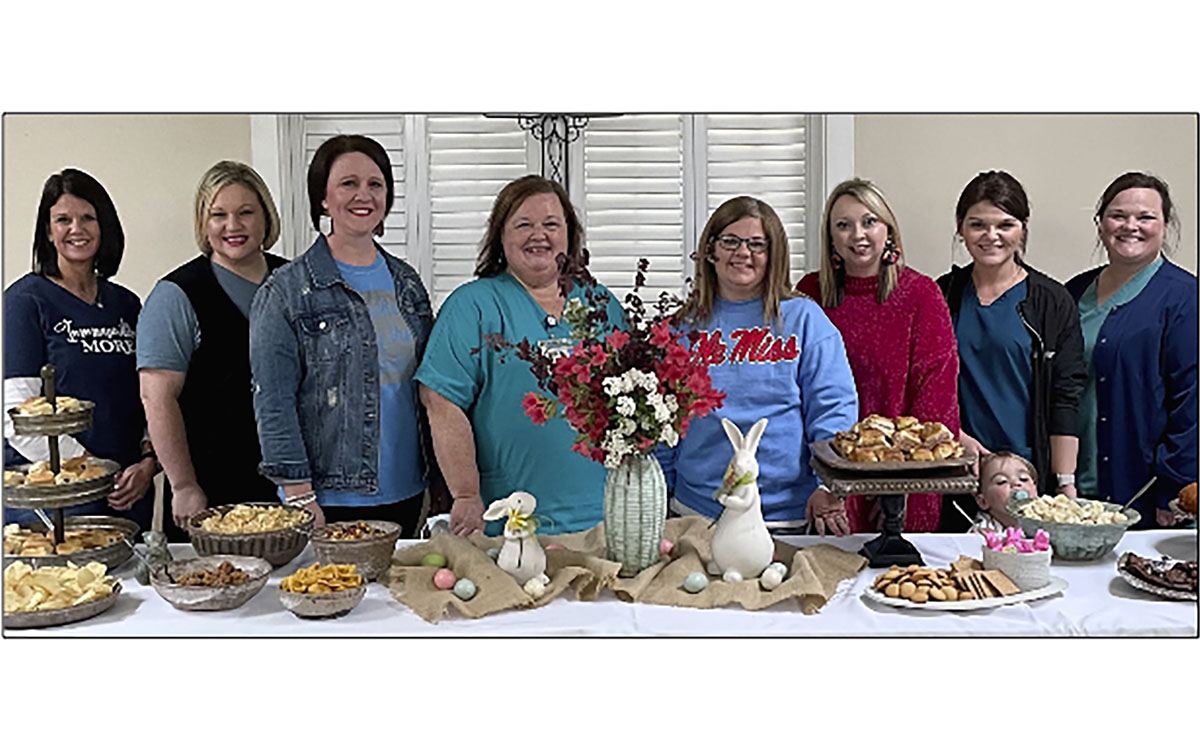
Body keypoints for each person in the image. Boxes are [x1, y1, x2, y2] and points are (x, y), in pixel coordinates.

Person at [415, 175, 627, 537]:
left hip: (605, 518)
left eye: (551, 224)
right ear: (501, 235)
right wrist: (465, 494)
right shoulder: (472, 305)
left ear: (569, 235)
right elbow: (440, 401)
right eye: (524, 224)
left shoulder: (601, 304)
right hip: (509, 522)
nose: (538, 235)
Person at [250, 135, 435, 535]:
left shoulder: (407, 282)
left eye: (375, 184)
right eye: (348, 183)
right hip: (327, 496)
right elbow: (273, 402)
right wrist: (298, 495)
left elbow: (431, 387)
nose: (363, 195)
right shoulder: (285, 290)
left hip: (408, 489)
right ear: (323, 197)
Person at [661, 196, 858, 535]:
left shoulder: (804, 320)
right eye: (730, 241)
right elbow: (661, 425)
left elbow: (834, 409)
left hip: (787, 517)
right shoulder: (680, 328)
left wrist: (828, 486)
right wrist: (658, 493)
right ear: (711, 250)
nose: (743, 252)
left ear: (774, 254)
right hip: (696, 515)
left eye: (757, 244)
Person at [797, 179, 959, 532]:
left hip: (906, 473)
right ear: (831, 238)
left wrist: (899, 485)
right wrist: (831, 482)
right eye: (844, 225)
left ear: (889, 230)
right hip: (828, 475)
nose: (858, 234)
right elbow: (797, 394)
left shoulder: (921, 295)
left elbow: (936, 396)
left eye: (869, 221)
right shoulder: (809, 294)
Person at [138, 161, 289, 540]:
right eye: (218, 215)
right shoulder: (176, 295)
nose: (233, 226)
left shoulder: (294, 282)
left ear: (266, 217)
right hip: (209, 492)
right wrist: (184, 485)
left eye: (246, 212)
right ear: (203, 223)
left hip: (292, 488)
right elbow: (157, 398)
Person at [3, 168, 157, 534]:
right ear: (47, 230)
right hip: (57, 494)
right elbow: (15, 416)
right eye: (63, 220)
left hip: (128, 489)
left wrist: (149, 462)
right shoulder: (24, 302)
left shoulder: (126, 304)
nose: (77, 229)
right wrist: (93, 469)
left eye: (88, 217)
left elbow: (152, 394)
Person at [936, 171, 1086, 510]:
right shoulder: (941, 295)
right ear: (960, 227)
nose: (991, 236)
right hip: (955, 467)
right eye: (978, 225)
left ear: (1023, 228)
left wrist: (1065, 483)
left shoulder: (1052, 301)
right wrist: (953, 435)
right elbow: (922, 386)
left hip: (1027, 473)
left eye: (1005, 225)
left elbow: (1065, 395)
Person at [1065, 172, 1197, 528]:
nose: (1130, 226)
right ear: (1101, 223)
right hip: (1073, 490)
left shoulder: (1185, 298)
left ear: (1165, 225)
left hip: (1148, 491)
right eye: (1118, 215)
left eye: (1145, 217)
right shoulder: (1072, 293)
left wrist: (1173, 486)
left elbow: (1192, 404)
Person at [970, 451, 1037, 533]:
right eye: (1002, 481)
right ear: (983, 501)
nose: (1016, 483)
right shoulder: (982, 531)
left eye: (1024, 479)